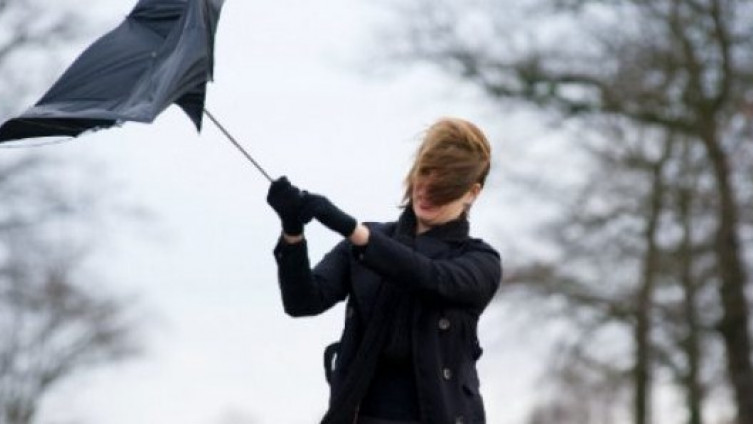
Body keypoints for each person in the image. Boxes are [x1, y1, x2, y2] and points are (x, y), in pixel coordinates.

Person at [266, 117, 502, 424]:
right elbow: (303, 301)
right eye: (425, 173)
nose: (427, 190)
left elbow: (431, 277)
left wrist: (351, 229)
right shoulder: (366, 242)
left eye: (443, 185)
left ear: (472, 193)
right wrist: (293, 233)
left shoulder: (480, 261)